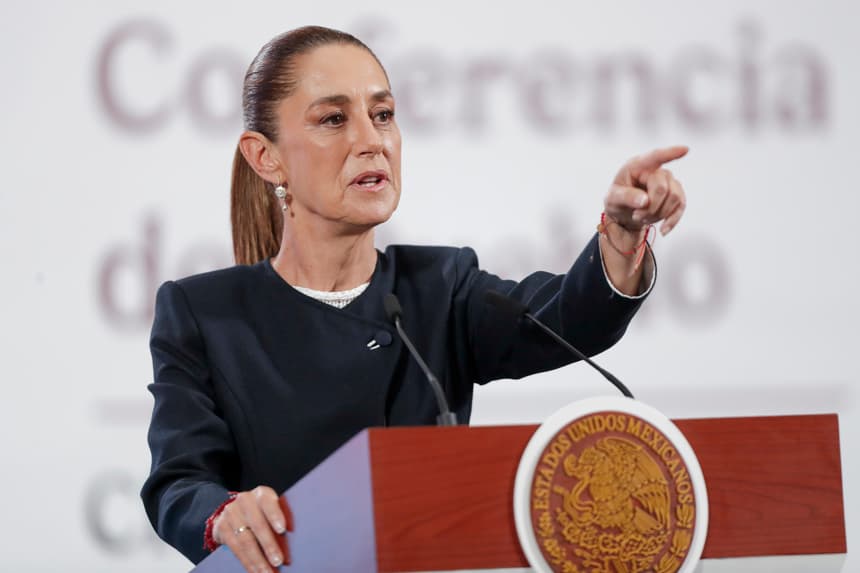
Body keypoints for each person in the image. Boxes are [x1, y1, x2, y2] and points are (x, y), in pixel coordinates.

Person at [141, 25, 688, 572]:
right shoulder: (205, 315)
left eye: (382, 115)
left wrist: (619, 239)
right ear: (266, 157)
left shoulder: (440, 287)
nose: (371, 139)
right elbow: (178, 484)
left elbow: (568, 318)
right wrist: (225, 514)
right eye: (334, 119)